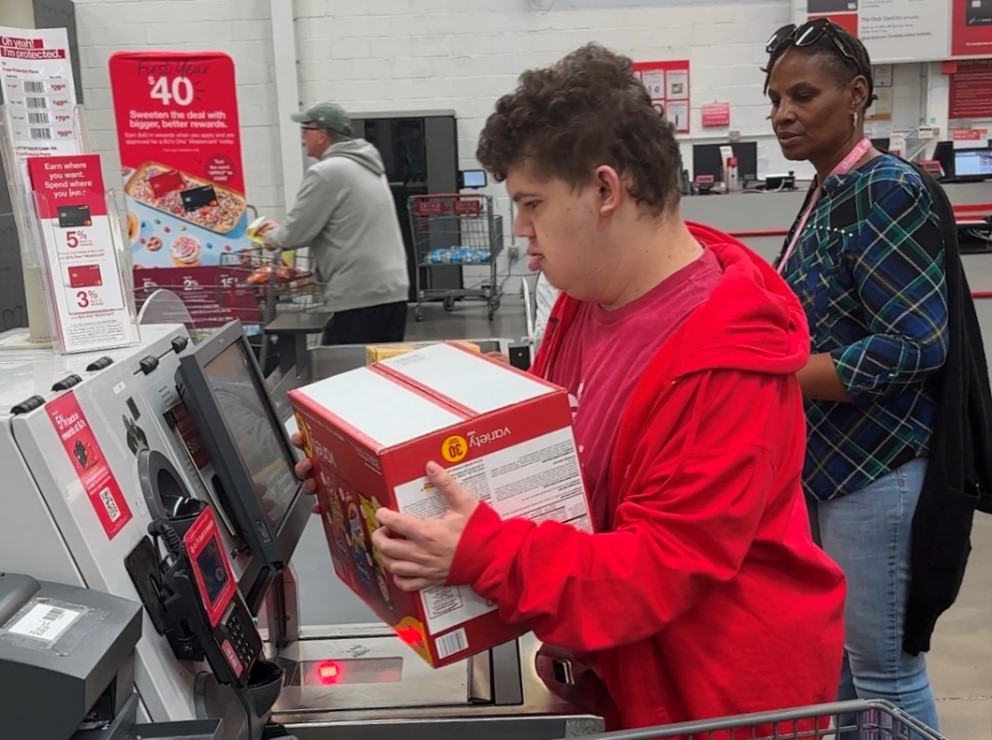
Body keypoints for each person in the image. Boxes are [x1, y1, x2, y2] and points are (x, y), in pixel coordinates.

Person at [294, 44, 846, 732]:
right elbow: (545, 469)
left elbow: (660, 568)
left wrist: (486, 552)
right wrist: (370, 480)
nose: (521, 228)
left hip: (712, 700)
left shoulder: (724, 359)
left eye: (532, 203)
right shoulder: (588, 301)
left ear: (605, 191)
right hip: (617, 673)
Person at [764, 19, 949, 730]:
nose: (784, 114)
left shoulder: (886, 188)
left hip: (876, 468)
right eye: (775, 99)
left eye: (803, 95)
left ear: (856, 95)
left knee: (885, 676)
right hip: (825, 470)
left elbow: (914, 344)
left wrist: (780, 375)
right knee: (843, 672)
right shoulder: (829, 190)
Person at [257, 102, 410, 345]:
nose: (302, 138)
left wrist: (271, 236)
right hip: (393, 288)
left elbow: (296, 233)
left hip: (358, 293)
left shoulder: (327, 172)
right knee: (378, 364)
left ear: (322, 134)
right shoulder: (369, 165)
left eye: (305, 129)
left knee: (344, 365)